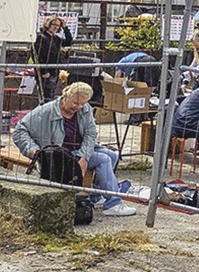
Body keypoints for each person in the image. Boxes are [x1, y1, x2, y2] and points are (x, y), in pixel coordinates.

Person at [12, 82, 136, 216]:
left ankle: (96, 196)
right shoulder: (46, 111)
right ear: (66, 96)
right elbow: (19, 131)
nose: (79, 107)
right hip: (62, 155)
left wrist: (84, 156)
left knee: (113, 155)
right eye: (75, 103)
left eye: (82, 104)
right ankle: (113, 204)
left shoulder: (85, 109)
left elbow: (90, 133)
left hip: (78, 150)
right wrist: (35, 151)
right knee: (103, 159)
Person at [33, 16, 73, 100]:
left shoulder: (55, 38)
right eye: (53, 24)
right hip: (45, 71)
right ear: (48, 24)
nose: (55, 27)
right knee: (46, 96)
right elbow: (37, 55)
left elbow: (68, 42)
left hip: (54, 70)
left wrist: (65, 28)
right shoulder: (41, 37)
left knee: (51, 95)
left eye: (58, 25)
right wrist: (44, 71)